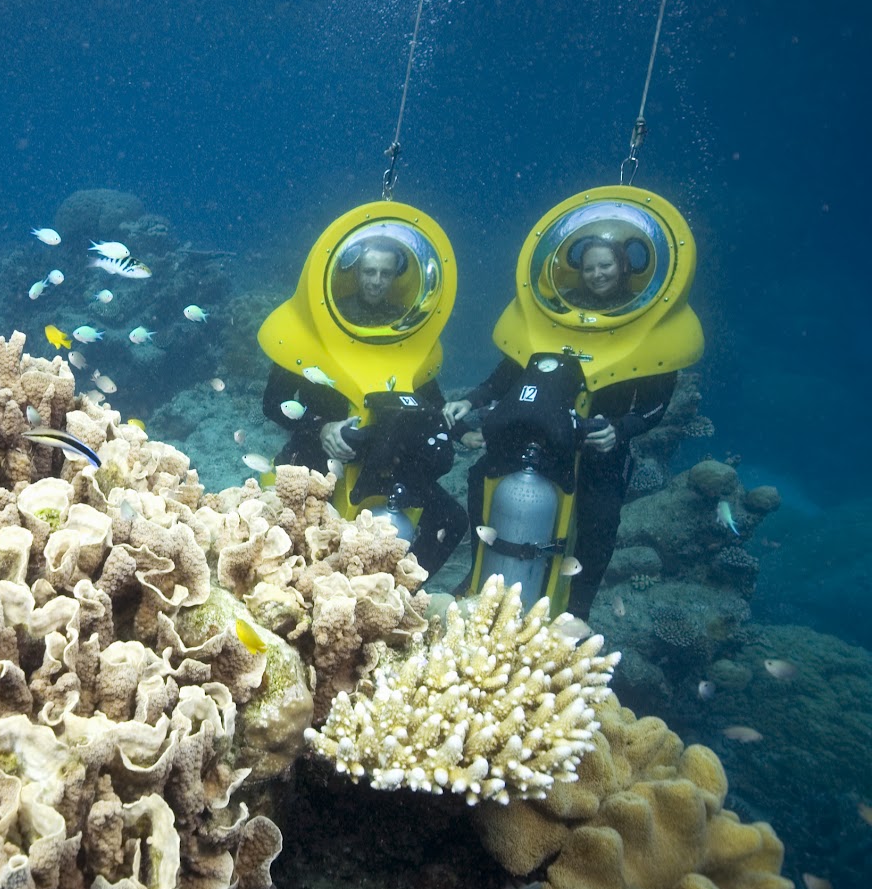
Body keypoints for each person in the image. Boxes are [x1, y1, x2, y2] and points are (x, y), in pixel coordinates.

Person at [445, 234, 675, 617]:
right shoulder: (554, 313)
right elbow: (507, 374)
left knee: (600, 520)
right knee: (481, 478)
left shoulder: (645, 323)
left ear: (623, 266)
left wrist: (621, 429)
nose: (598, 274)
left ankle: (576, 610)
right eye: (589, 267)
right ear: (578, 271)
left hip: (599, 445)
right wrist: (472, 400)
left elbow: (656, 406)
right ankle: (479, 576)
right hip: (543, 437)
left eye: (606, 265)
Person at [262, 238, 466, 576]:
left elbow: (432, 402)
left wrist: (463, 426)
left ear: (396, 278)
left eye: (386, 273)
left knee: (452, 519)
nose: (376, 280)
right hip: (317, 451)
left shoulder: (406, 328)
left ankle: (399, 596)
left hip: (386, 457)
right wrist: (320, 427)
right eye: (369, 271)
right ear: (355, 273)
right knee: (307, 539)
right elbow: (272, 403)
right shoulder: (317, 323)